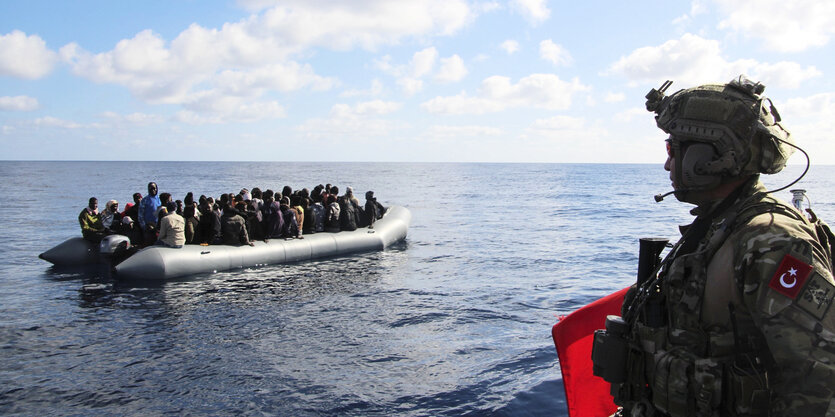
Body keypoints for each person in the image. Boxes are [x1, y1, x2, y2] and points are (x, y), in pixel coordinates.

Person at [595, 76, 835, 417]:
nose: (667, 164)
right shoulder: (719, 225)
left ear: (705, 157)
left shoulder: (771, 242)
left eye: (671, 150)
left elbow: (821, 383)